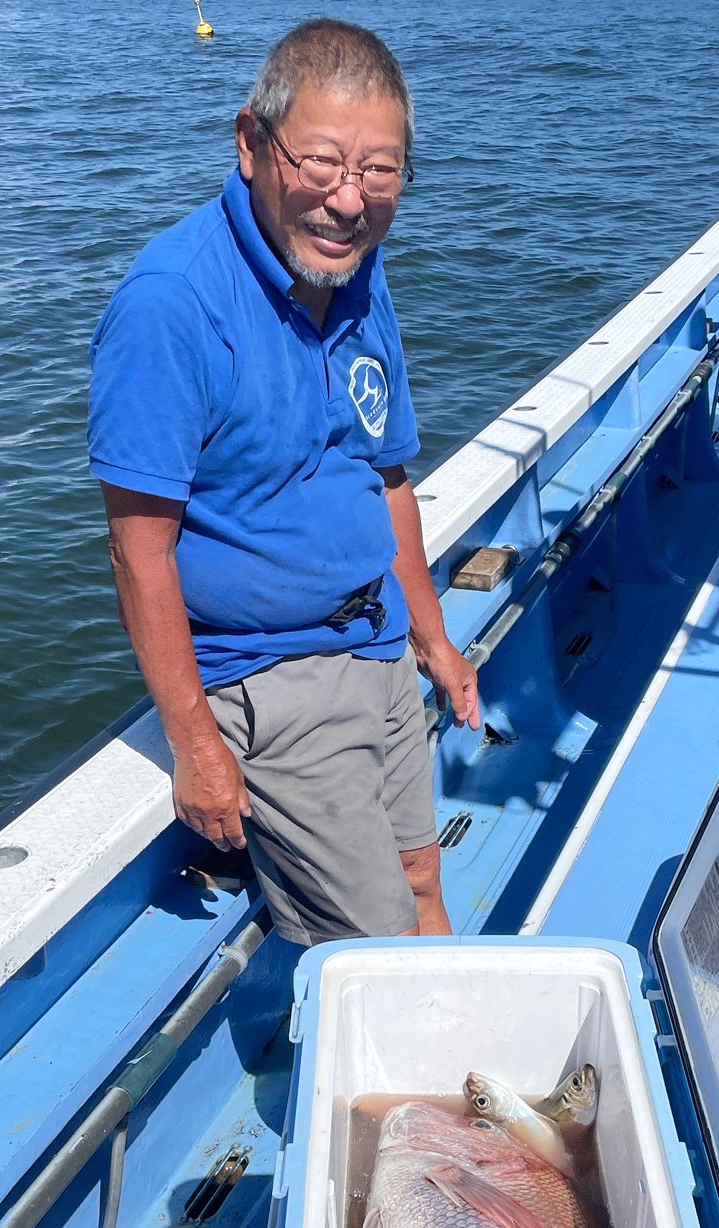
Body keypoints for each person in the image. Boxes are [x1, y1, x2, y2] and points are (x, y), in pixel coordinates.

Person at [88, 19, 478, 946]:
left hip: (378, 639)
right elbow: (138, 553)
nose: (349, 200)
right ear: (252, 144)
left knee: (422, 876)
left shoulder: (357, 274)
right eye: (323, 162)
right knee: (378, 947)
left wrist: (434, 640)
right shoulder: (171, 305)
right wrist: (197, 746)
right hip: (272, 679)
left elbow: (387, 477)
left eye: (380, 171)